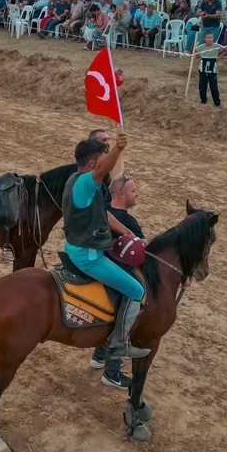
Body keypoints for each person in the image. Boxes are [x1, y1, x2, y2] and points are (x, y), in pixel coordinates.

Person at [63, 133, 149, 361]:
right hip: (88, 256)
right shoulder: (85, 183)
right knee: (136, 290)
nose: (106, 168)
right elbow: (103, 170)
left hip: (76, 247)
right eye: (103, 159)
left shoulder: (75, 180)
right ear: (92, 164)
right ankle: (119, 344)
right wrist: (118, 149)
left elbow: (103, 213)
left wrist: (126, 232)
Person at [89, 173, 145, 389]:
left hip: (99, 262)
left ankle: (99, 354)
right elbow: (142, 253)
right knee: (135, 295)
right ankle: (112, 370)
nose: (137, 192)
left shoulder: (106, 211)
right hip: (110, 269)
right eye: (133, 190)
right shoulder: (128, 221)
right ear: (121, 194)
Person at [195, 29, 225, 106]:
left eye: (211, 37)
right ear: (204, 39)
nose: (209, 39)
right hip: (203, 67)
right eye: (208, 37)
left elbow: (226, 49)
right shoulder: (201, 47)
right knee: (202, 85)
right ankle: (203, 100)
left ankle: (217, 102)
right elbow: (195, 52)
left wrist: (218, 58)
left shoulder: (216, 46)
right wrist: (199, 56)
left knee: (214, 86)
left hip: (213, 68)